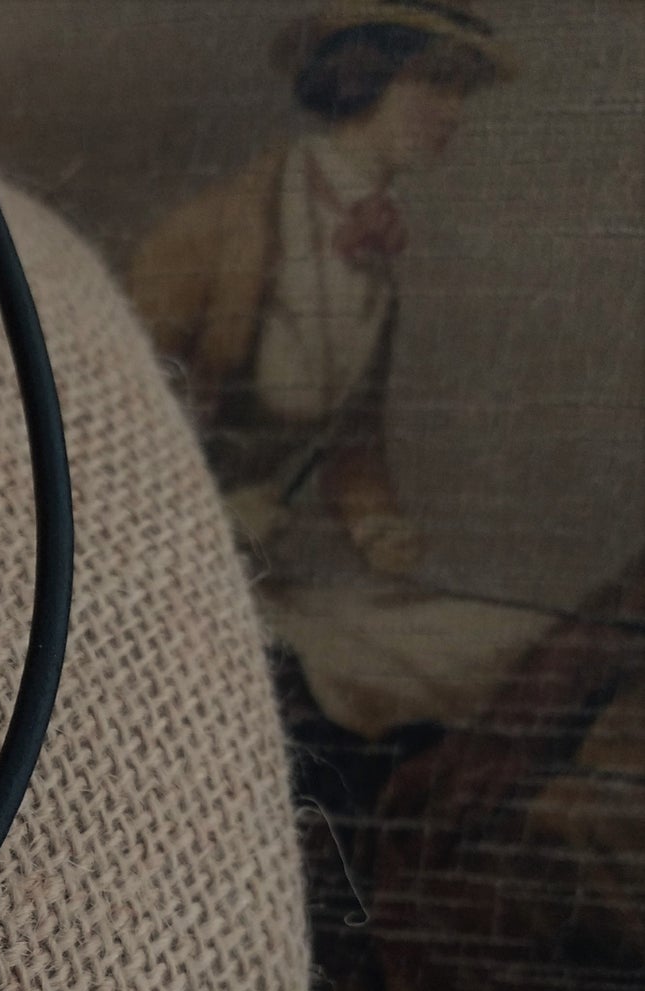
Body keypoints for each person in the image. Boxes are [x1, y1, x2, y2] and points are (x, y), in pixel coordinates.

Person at [129, 1, 513, 576]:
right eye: (437, 83)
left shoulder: (377, 257)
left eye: (463, 92)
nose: (455, 112)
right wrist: (201, 515)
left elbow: (353, 442)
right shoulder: (215, 229)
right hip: (146, 551)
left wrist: (375, 525)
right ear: (363, 76)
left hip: (244, 564)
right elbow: (111, 411)